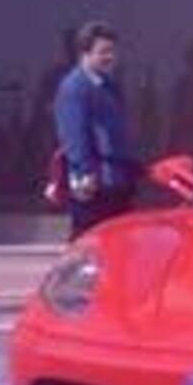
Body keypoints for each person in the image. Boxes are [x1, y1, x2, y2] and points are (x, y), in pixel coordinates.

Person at [54, 20, 140, 236]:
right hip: (94, 186)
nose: (110, 57)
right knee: (89, 244)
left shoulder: (109, 86)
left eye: (112, 51)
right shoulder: (74, 88)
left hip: (116, 183)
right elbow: (73, 135)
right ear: (85, 53)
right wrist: (84, 172)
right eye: (103, 52)